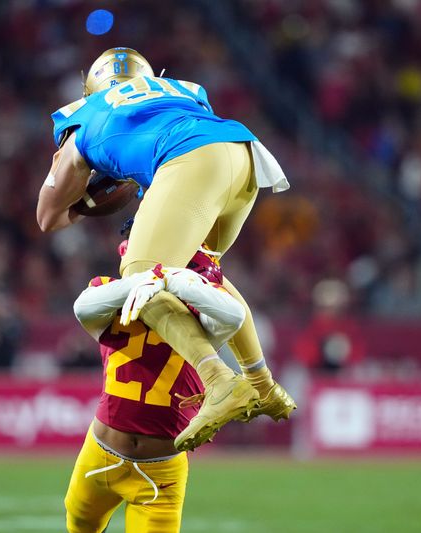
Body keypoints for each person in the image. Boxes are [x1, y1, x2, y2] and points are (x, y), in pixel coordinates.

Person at [37, 47, 295, 451]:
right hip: (242, 153)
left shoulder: (82, 116)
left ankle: (218, 380)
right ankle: (262, 384)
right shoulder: (183, 88)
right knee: (204, 270)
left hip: (188, 159)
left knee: (141, 278)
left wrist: (90, 196)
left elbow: (47, 216)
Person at [66, 240, 246, 533]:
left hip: (161, 473)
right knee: (78, 527)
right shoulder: (113, 294)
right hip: (99, 454)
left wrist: (170, 280)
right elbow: (82, 307)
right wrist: (147, 279)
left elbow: (235, 315)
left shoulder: (205, 321)